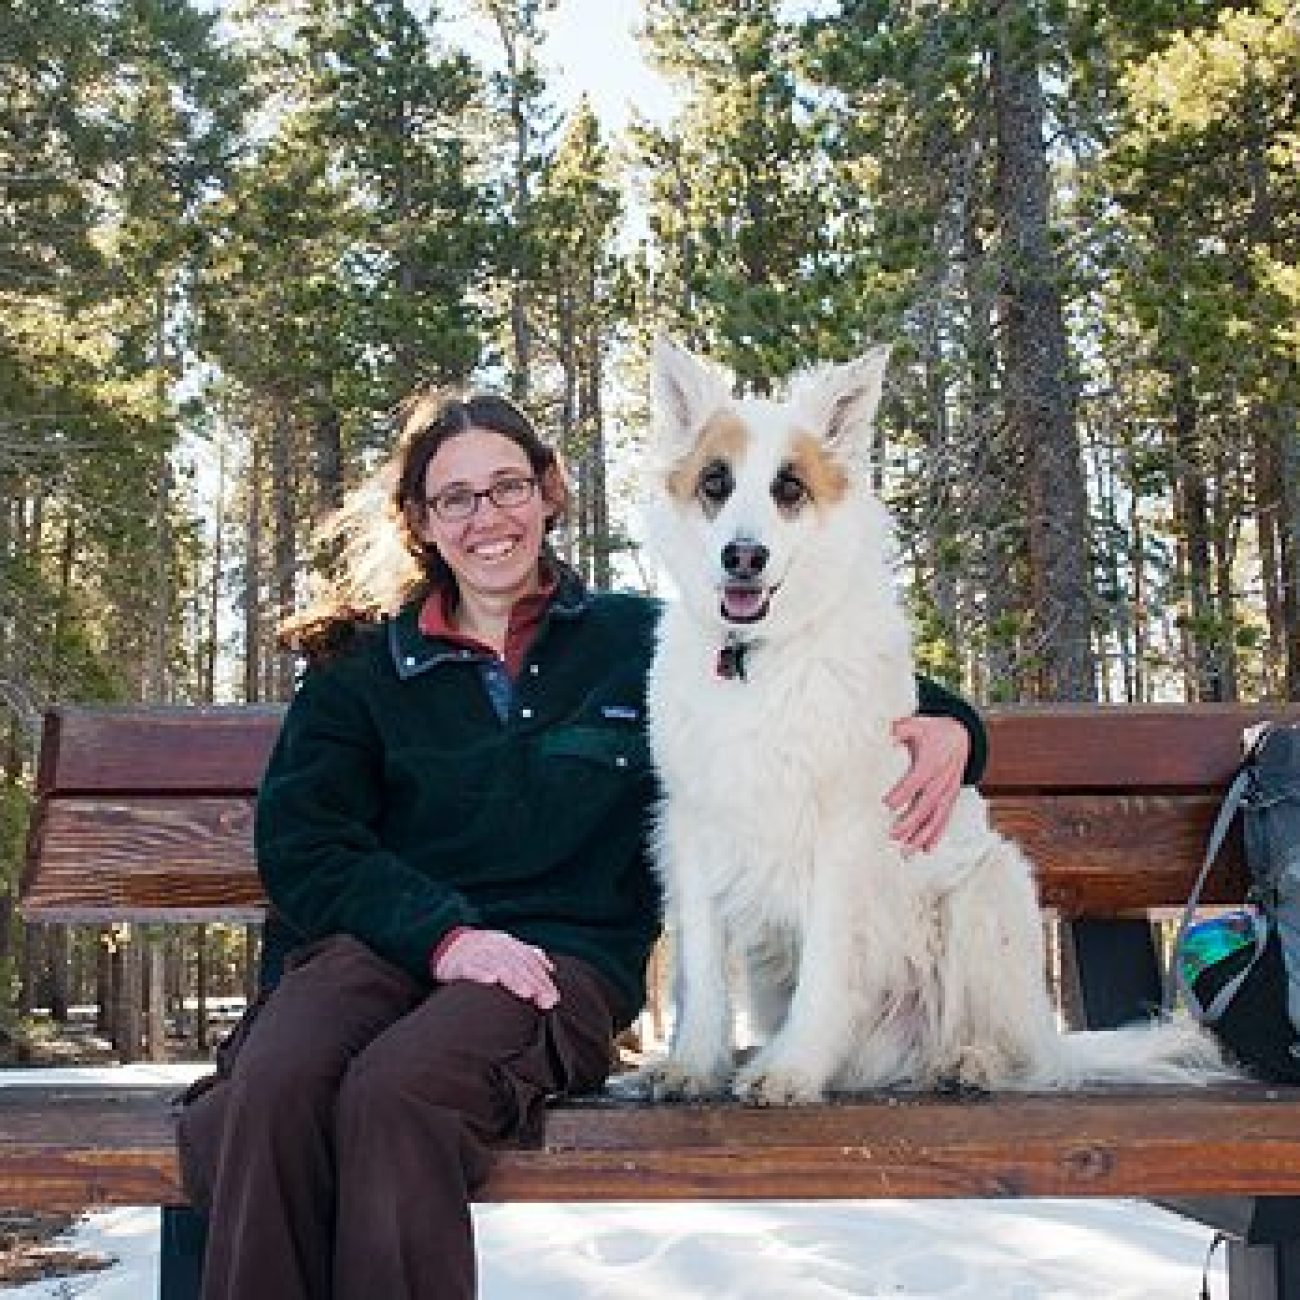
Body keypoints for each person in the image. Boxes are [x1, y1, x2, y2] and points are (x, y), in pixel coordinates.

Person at [175, 388, 988, 1300]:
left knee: (398, 1093)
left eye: (509, 487)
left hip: (556, 965)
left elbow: (829, 670)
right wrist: (445, 937)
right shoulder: (363, 670)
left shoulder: (638, 640)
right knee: (272, 1087)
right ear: (421, 521)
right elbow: (306, 843)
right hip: (380, 949)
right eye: (457, 498)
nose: (489, 518)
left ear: (552, 492)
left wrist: (955, 727)